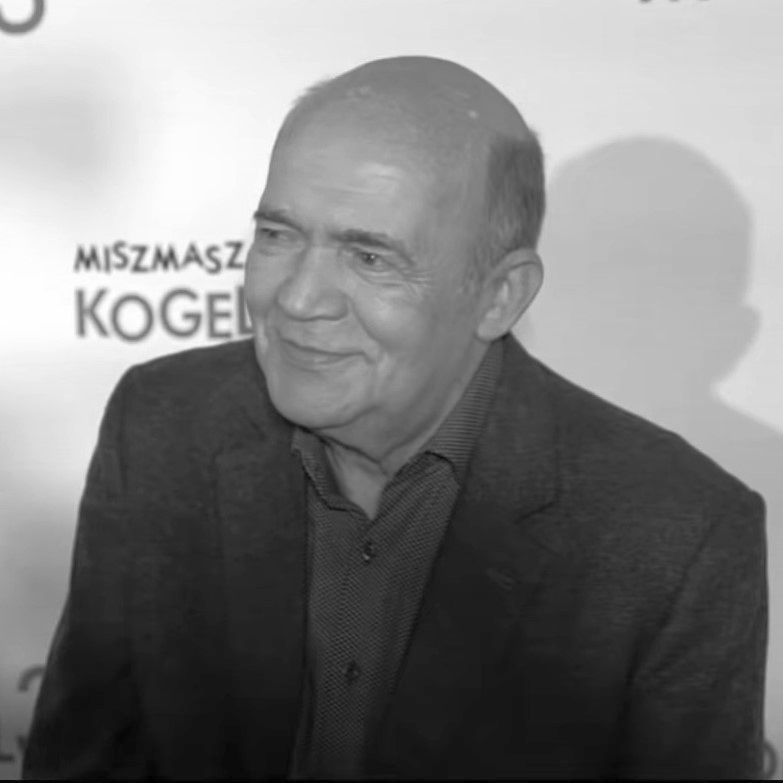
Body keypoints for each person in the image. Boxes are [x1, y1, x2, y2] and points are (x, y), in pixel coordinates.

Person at [23, 56, 767, 780]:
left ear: (500, 296)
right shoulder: (163, 424)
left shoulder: (672, 538)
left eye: (370, 258)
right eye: (278, 235)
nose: (298, 298)